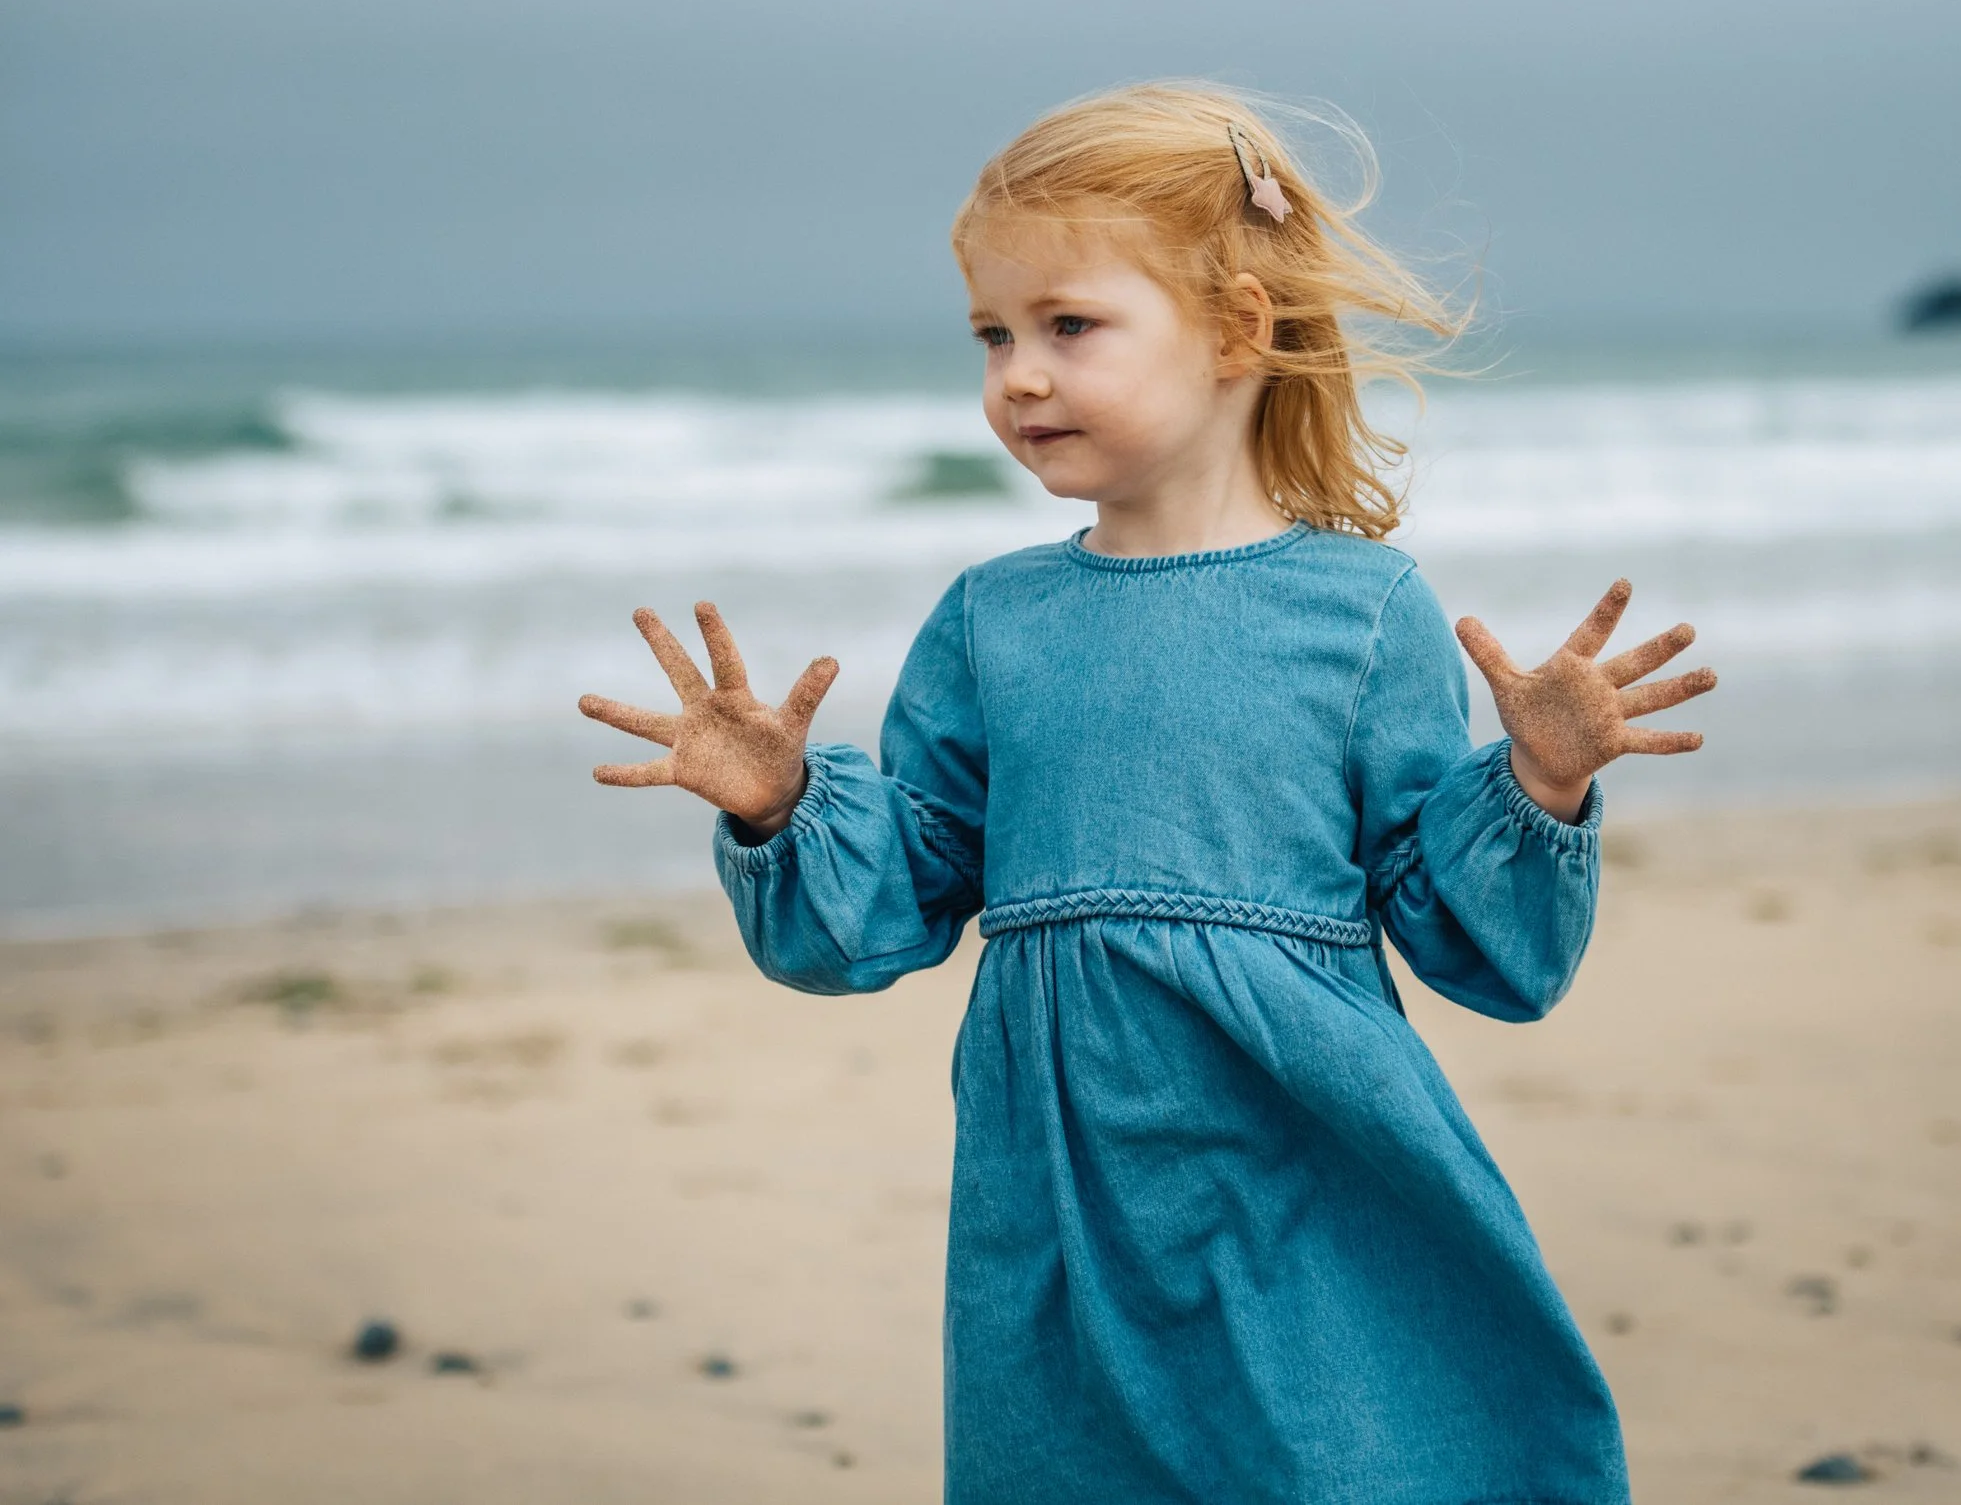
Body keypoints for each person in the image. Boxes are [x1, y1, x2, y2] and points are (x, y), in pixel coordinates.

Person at [578, 83, 1715, 1503]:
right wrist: (783, 803)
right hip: (1060, 1182)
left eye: (1069, 326)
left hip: (1298, 1155)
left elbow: (1467, 937)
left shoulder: (1360, 612)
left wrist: (1538, 780)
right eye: (992, 335)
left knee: (1329, 1449)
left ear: (1239, 329)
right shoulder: (994, 619)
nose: (1017, 376)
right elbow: (899, 893)